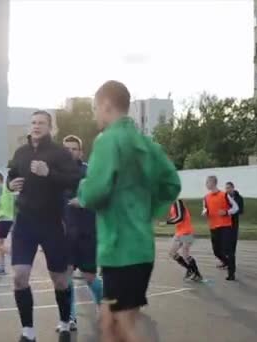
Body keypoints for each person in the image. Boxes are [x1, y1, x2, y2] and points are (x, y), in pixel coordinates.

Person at [78, 81, 181, 342]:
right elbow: (172, 183)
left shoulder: (107, 141)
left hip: (119, 249)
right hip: (141, 247)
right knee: (110, 322)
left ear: (106, 105)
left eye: (94, 108)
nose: (94, 115)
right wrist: (149, 210)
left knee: (122, 325)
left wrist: (82, 189)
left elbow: (94, 193)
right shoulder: (145, 143)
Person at [7, 110, 81, 342]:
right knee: (19, 276)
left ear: (51, 127)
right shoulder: (21, 152)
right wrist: (11, 184)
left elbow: (74, 180)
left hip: (51, 222)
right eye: (33, 122)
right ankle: (28, 330)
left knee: (59, 280)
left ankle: (64, 321)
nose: (36, 126)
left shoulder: (59, 153)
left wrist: (49, 173)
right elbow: (11, 174)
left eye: (41, 123)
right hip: (25, 222)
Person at [57, 135, 103, 332]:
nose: (69, 152)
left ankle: (105, 306)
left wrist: (84, 201)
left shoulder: (90, 173)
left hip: (86, 234)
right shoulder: (55, 175)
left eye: (74, 149)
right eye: (66, 148)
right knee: (65, 278)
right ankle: (69, 318)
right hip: (64, 235)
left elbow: (102, 196)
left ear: (81, 152)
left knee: (90, 277)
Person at [203, 176, 239, 281]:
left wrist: (227, 212)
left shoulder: (224, 195)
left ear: (213, 183)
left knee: (228, 250)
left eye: (207, 182)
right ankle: (228, 263)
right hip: (213, 226)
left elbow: (236, 207)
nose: (206, 184)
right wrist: (205, 212)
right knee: (216, 251)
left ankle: (231, 273)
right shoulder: (206, 197)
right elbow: (205, 208)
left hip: (225, 226)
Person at [166, 199, 202, 281]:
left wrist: (168, 222)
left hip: (187, 232)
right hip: (179, 232)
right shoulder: (172, 204)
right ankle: (189, 269)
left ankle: (197, 274)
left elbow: (180, 217)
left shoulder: (177, 202)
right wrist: (170, 220)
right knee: (172, 253)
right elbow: (175, 216)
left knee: (185, 255)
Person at [225, 181, 244, 254]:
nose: (227, 190)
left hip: (234, 221)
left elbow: (241, 210)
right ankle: (225, 258)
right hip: (225, 222)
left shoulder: (239, 198)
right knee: (225, 240)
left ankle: (232, 256)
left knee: (233, 239)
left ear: (233, 188)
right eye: (226, 188)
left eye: (229, 188)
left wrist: (232, 211)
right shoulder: (224, 197)